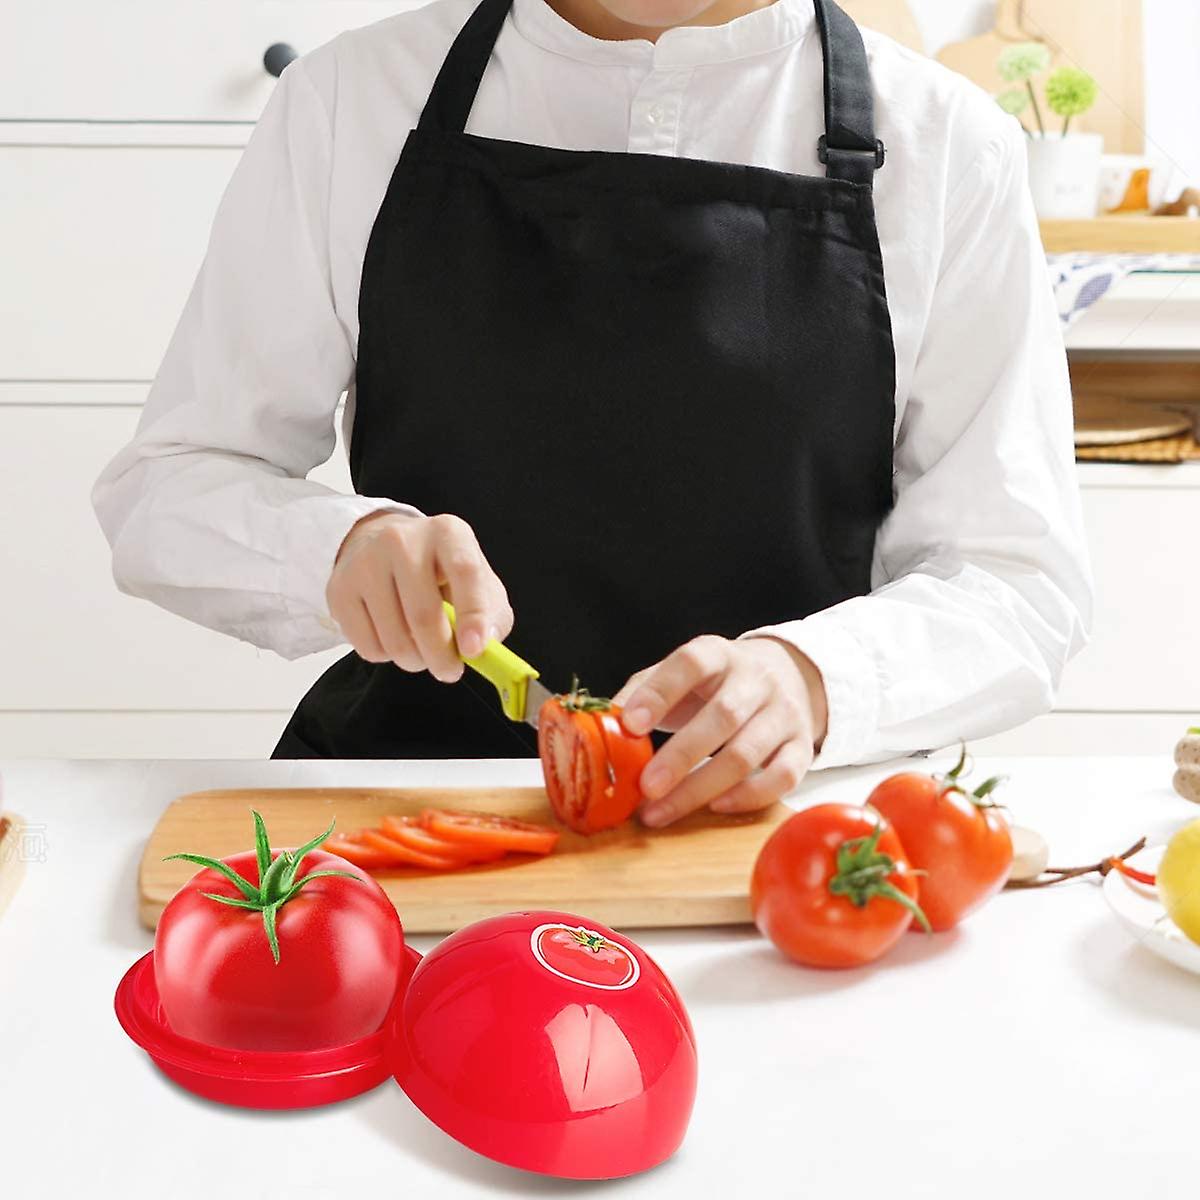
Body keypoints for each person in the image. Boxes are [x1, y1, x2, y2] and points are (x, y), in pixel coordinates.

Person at [92, 0, 1094, 828]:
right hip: (422, 804)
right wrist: (341, 547)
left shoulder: (952, 147)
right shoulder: (348, 102)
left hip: (781, 840)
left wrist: (818, 679)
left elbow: (1014, 578)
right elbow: (169, 486)